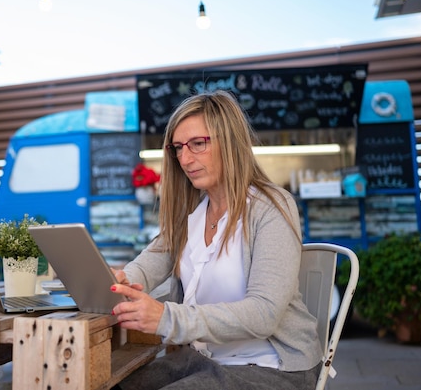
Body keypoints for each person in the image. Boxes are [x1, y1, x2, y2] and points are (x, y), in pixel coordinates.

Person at [110, 90, 322, 390]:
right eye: (178, 148)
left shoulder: (271, 207)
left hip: (272, 366)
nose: (185, 158)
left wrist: (167, 317)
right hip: (204, 358)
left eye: (198, 144)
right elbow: (148, 264)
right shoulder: (192, 213)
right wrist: (120, 280)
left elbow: (264, 314)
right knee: (112, 385)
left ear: (231, 142)